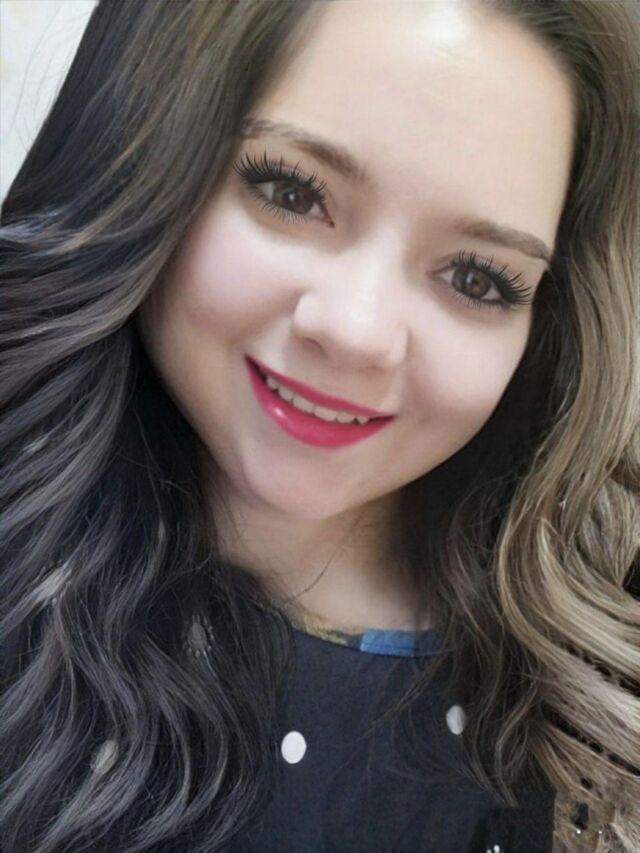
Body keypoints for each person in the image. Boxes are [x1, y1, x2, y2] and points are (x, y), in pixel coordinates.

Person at [1, 0, 638, 850]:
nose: (359, 330)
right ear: (150, 156)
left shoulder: (586, 706)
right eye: (292, 191)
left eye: (478, 277)